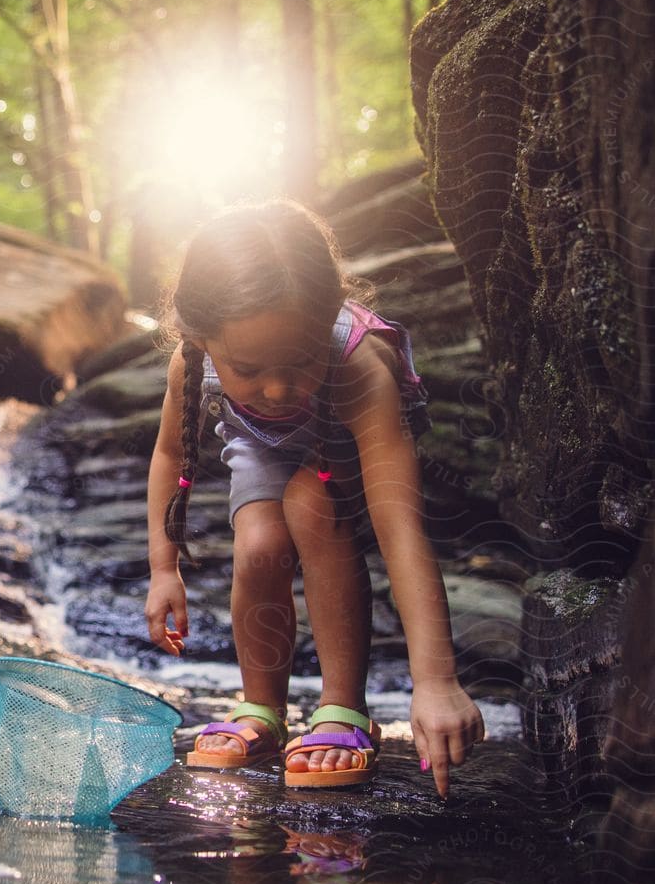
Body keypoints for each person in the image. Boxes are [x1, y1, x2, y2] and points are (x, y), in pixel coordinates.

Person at [143, 200, 483, 795]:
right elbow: (170, 453)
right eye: (248, 368)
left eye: (299, 361)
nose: (275, 387)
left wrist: (435, 680)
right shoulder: (191, 361)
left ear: (324, 318)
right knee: (259, 545)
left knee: (311, 507)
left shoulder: (359, 368)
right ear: (201, 336)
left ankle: (344, 709)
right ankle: (262, 709)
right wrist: (162, 566)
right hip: (260, 442)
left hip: (344, 433)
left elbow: (401, 531)